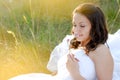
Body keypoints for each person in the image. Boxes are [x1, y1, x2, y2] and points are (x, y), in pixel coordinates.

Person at [9, 3, 120, 80]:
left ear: (95, 27)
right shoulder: (77, 45)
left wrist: (75, 73)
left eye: (82, 26)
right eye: (74, 25)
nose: (76, 30)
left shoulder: (100, 51)